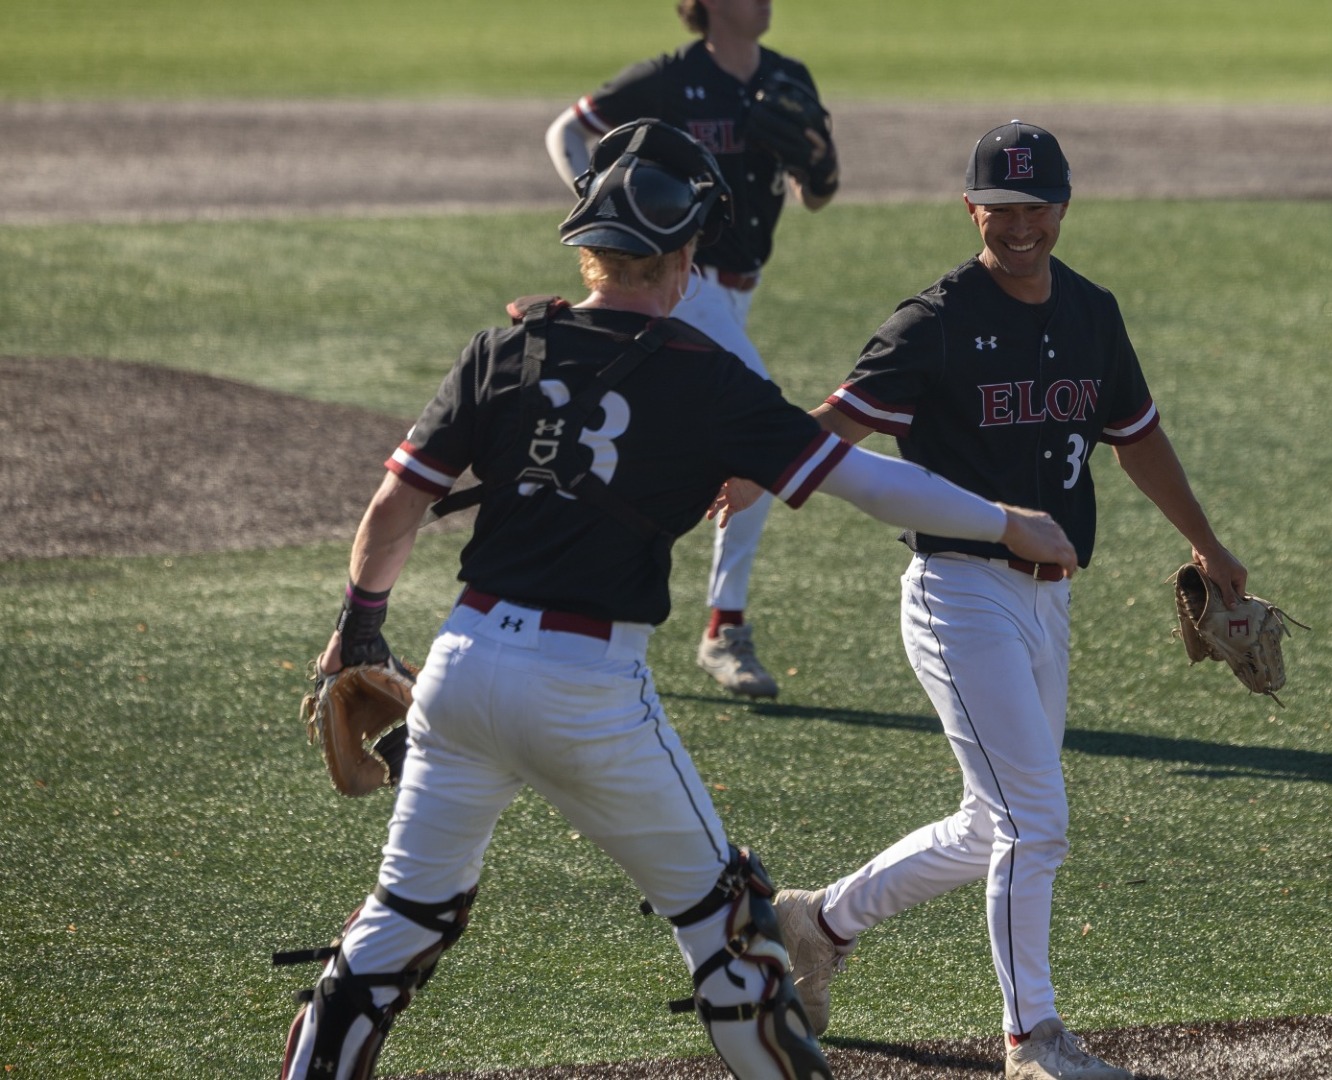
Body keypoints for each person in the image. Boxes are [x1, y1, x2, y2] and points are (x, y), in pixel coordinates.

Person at [272, 119, 1075, 1080]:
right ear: (685, 260)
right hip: (585, 687)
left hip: (461, 668)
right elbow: (864, 480)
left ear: (591, 249)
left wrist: (359, 624)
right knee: (732, 932)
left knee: (404, 920)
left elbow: (393, 507)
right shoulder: (709, 381)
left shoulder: (504, 349)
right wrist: (1003, 521)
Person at [765, 120, 1250, 1080]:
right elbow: (840, 420)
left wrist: (1203, 537)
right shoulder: (935, 320)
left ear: (1063, 207)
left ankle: (817, 923)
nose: (1020, 225)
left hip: (1047, 603)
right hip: (957, 597)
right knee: (1038, 820)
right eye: (1001, 208)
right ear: (970, 208)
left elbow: (1136, 433)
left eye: (1038, 207)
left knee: (994, 824)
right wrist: (754, 461)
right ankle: (1032, 1037)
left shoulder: (1092, 312)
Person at [545, 0, 839, 699]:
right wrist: (600, 201)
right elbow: (568, 128)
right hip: (682, 281)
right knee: (767, 434)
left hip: (739, 290)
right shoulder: (669, 79)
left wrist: (820, 163)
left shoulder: (789, 77)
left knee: (648, 451)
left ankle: (572, 608)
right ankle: (723, 626)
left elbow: (817, 194)